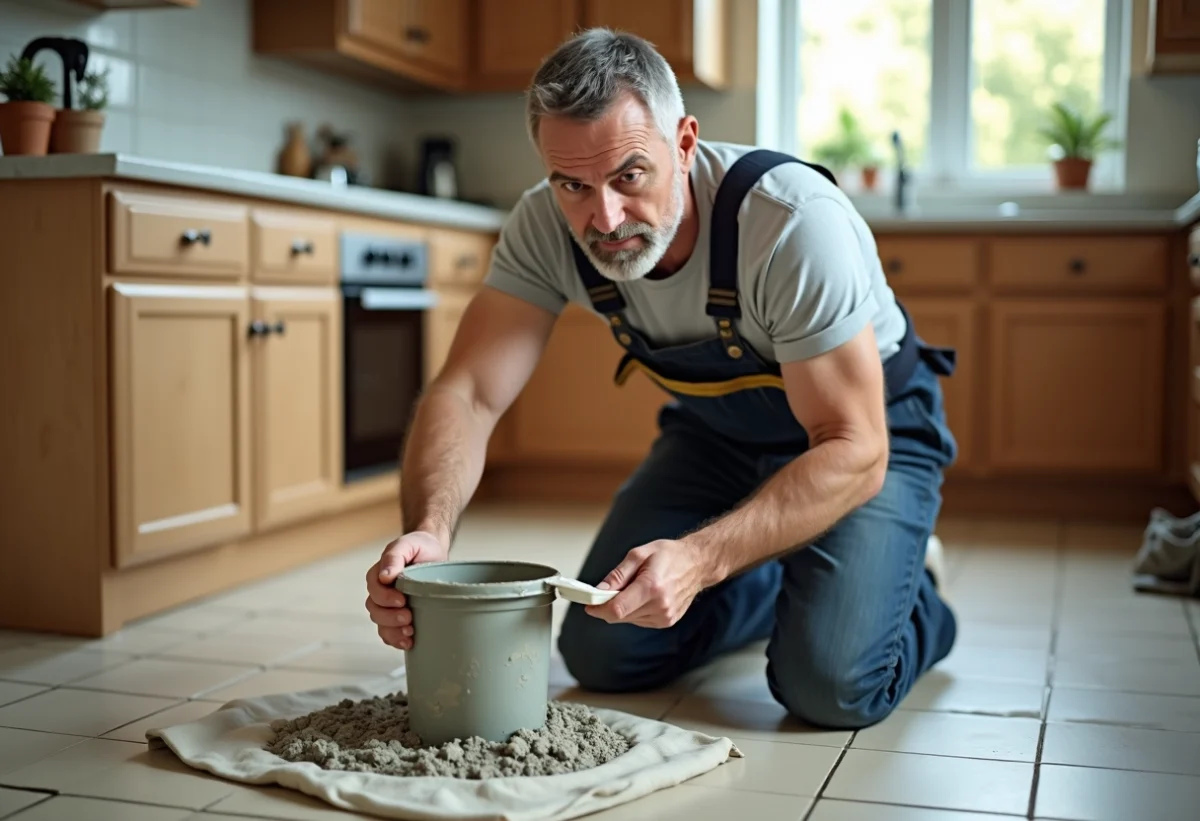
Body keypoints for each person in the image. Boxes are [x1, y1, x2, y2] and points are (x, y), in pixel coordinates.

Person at [364, 28, 959, 730]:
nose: (604, 218)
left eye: (629, 176)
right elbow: (466, 391)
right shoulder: (543, 226)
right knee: (605, 649)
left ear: (683, 143)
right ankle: (780, 572)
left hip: (863, 440)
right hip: (716, 438)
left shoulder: (791, 224)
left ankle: (912, 591)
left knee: (829, 685)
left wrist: (702, 558)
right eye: (573, 185)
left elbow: (855, 447)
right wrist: (430, 530)